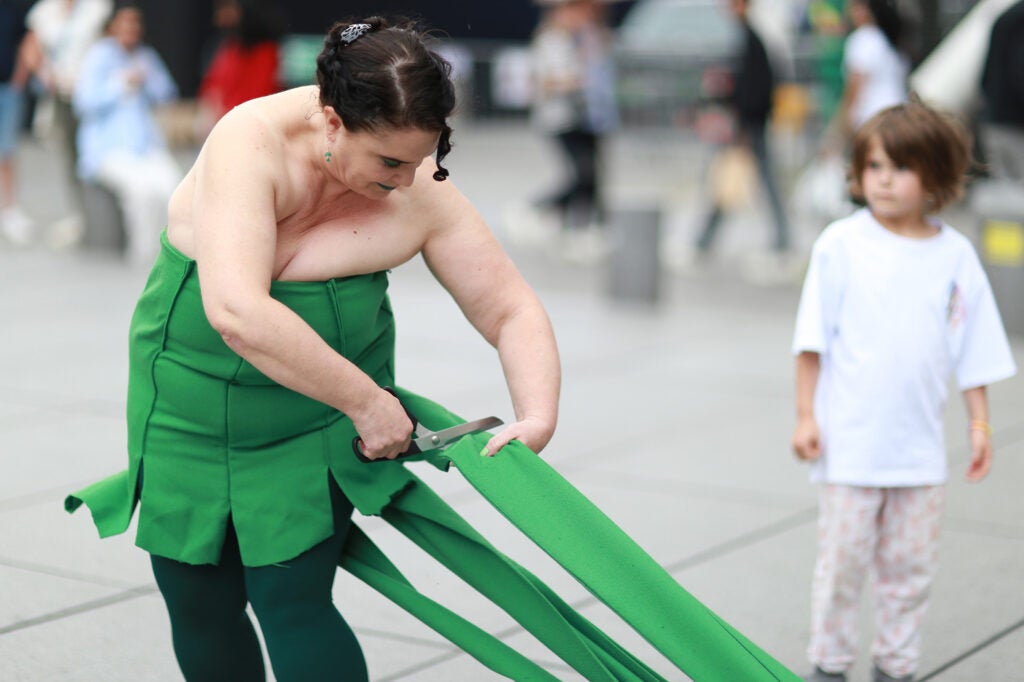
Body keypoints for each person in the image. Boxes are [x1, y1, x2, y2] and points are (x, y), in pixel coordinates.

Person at [64, 17, 560, 681]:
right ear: (331, 122)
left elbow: (509, 308)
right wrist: (368, 402)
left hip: (314, 417)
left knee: (291, 596)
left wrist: (537, 412)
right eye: (390, 161)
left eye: (424, 157)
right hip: (190, 405)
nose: (410, 180)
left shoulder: (419, 189)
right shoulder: (248, 140)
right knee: (197, 599)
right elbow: (236, 310)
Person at [791, 101, 1017, 682]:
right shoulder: (839, 245)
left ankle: (896, 665)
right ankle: (830, 663)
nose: (884, 180)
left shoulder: (955, 255)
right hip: (850, 449)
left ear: (936, 176)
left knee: (909, 569)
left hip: (918, 456)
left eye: (900, 167)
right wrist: (805, 418)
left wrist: (980, 424)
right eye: (872, 166)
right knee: (841, 566)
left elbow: (975, 348)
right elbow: (812, 341)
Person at [73, 3, 180, 264]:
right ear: (112, 26)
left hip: (145, 146)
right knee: (141, 192)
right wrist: (119, 84)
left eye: (135, 24)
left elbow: (167, 93)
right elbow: (84, 102)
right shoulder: (98, 56)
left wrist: (147, 79)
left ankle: (171, 255)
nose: (130, 30)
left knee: (173, 188)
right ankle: (144, 256)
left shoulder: (145, 56)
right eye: (124, 23)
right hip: (109, 149)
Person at [692, 0, 791, 269]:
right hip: (745, 124)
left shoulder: (751, 38)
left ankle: (781, 241)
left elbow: (756, 88)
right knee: (729, 182)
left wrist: (744, 124)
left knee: (735, 182)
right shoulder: (745, 36)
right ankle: (704, 241)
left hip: (746, 126)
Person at [524, 0, 617, 261]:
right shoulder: (550, 39)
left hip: (587, 117)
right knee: (581, 173)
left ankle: (576, 228)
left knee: (591, 175)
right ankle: (538, 209)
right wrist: (579, 79)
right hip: (559, 118)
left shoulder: (584, 37)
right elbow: (545, 80)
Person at [23, 0, 112, 246]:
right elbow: (31, 50)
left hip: (91, 95)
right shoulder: (45, 10)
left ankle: (100, 219)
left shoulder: (98, 8)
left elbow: (108, 44)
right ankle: (80, 216)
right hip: (60, 96)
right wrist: (45, 75)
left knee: (94, 155)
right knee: (70, 158)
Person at [195, 0, 285, 139]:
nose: (219, 18)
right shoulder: (228, 49)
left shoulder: (268, 55)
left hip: (251, 136)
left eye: (226, 8)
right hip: (221, 134)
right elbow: (210, 92)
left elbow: (255, 104)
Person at [836, 0, 908, 137]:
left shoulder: (861, 39)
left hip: (873, 119)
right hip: (898, 115)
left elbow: (856, 84)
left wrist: (843, 124)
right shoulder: (886, 39)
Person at [0, 0, 35, 245]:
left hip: (7, 89)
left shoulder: (13, 7)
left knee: (6, 151)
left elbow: (27, 39)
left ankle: (8, 210)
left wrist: (19, 78)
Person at [979, 0, 1024, 182]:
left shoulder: (1005, 18)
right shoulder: (1018, 21)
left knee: (1006, 195)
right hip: (1014, 125)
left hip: (994, 118)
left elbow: (985, 76)